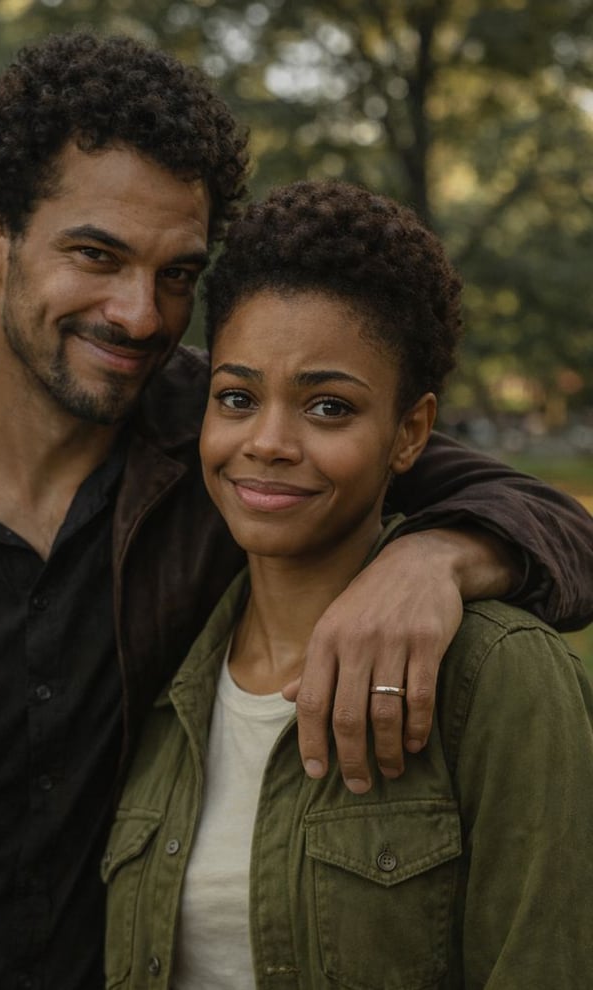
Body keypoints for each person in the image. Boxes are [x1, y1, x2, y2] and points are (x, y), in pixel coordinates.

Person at [0, 29, 591, 990]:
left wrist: (430, 563)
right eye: (96, 254)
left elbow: (549, 519)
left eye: (178, 274)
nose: (140, 314)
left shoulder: (229, 438)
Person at [103, 178, 593, 989]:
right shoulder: (166, 685)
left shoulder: (502, 678)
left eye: (328, 407)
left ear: (409, 433)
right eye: (236, 397)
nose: (267, 441)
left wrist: (433, 556)